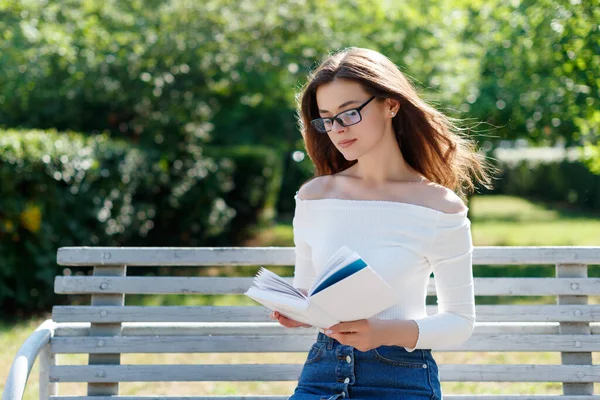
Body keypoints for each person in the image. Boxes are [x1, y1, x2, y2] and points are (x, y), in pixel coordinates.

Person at [269, 47, 494, 400]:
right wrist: (301, 311)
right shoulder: (315, 197)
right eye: (327, 119)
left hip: (401, 379)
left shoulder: (438, 206)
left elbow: (460, 323)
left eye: (349, 113)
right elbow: (310, 291)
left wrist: (384, 332)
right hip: (322, 375)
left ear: (391, 104)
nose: (337, 130)